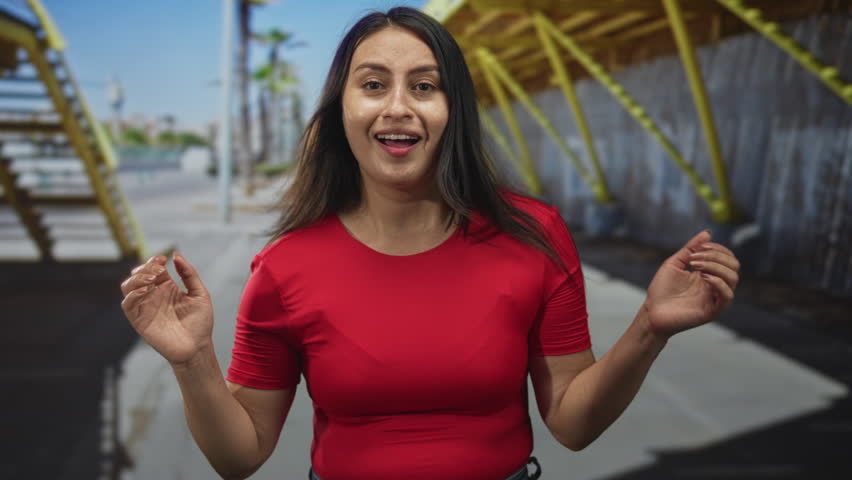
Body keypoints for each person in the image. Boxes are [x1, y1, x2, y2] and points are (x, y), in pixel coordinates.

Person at [119, 6, 740, 480]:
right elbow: (241, 455)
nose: (398, 108)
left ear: (454, 109)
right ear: (342, 108)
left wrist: (650, 327)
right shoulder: (284, 267)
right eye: (372, 84)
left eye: (424, 85)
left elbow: (573, 424)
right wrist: (191, 358)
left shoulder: (534, 236)